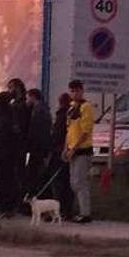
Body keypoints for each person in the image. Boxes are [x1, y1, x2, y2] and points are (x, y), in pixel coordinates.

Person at [63, 80, 94, 224]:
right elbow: (69, 130)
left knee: (80, 182)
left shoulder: (86, 107)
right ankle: (78, 210)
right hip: (71, 149)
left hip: (83, 150)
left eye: (76, 90)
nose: (74, 93)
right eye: (72, 91)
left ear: (82, 90)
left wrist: (74, 148)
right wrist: (66, 148)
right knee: (73, 183)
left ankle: (85, 213)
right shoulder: (70, 107)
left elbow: (85, 131)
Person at [0, 92, 19, 218]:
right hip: (11, 153)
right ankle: (9, 207)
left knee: (3, 181)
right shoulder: (11, 115)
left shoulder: (1, 118)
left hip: (2, 154)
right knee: (9, 180)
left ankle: (5, 207)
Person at [49, 93, 74, 219]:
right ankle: (66, 210)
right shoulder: (70, 114)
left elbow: (58, 134)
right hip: (65, 150)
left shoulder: (62, 115)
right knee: (66, 182)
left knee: (58, 182)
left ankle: (60, 211)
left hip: (59, 151)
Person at [24, 88, 52, 199]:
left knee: (36, 172)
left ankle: (38, 196)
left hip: (38, 146)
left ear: (32, 96)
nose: (27, 100)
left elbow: (38, 130)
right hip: (39, 146)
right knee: (36, 172)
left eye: (28, 97)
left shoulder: (39, 110)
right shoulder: (41, 109)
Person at [7, 78, 30, 210]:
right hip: (15, 144)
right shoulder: (15, 103)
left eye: (11, 88)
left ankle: (21, 202)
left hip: (19, 144)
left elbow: (20, 124)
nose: (9, 91)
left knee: (19, 173)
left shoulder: (21, 104)